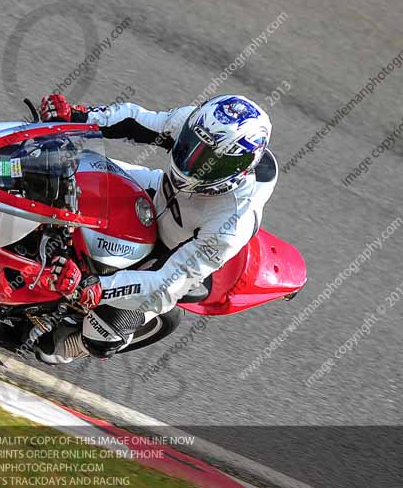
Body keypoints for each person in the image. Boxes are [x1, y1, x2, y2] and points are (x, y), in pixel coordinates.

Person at [32, 93, 278, 364]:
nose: (191, 160)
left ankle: (73, 346)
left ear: (237, 169)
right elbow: (135, 120)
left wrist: (93, 287)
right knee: (62, 166)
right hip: (155, 192)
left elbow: (165, 283)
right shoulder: (197, 124)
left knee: (99, 331)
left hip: (172, 255)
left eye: (207, 159)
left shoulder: (231, 222)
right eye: (191, 145)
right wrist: (78, 116)